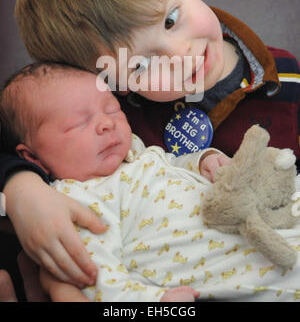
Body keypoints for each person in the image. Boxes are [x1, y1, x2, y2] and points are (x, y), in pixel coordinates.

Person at [0, 0, 299, 296]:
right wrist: (22, 190)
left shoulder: (288, 75)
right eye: (141, 65)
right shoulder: (120, 120)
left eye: (171, 19)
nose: (179, 55)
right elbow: (26, 139)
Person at [2, 62, 300, 302]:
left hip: (260, 218)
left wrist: (203, 160)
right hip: (240, 268)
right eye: (78, 123)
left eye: (110, 109)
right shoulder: (72, 201)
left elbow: (171, 163)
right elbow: (96, 280)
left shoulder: (134, 151)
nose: (106, 123)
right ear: (32, 157)